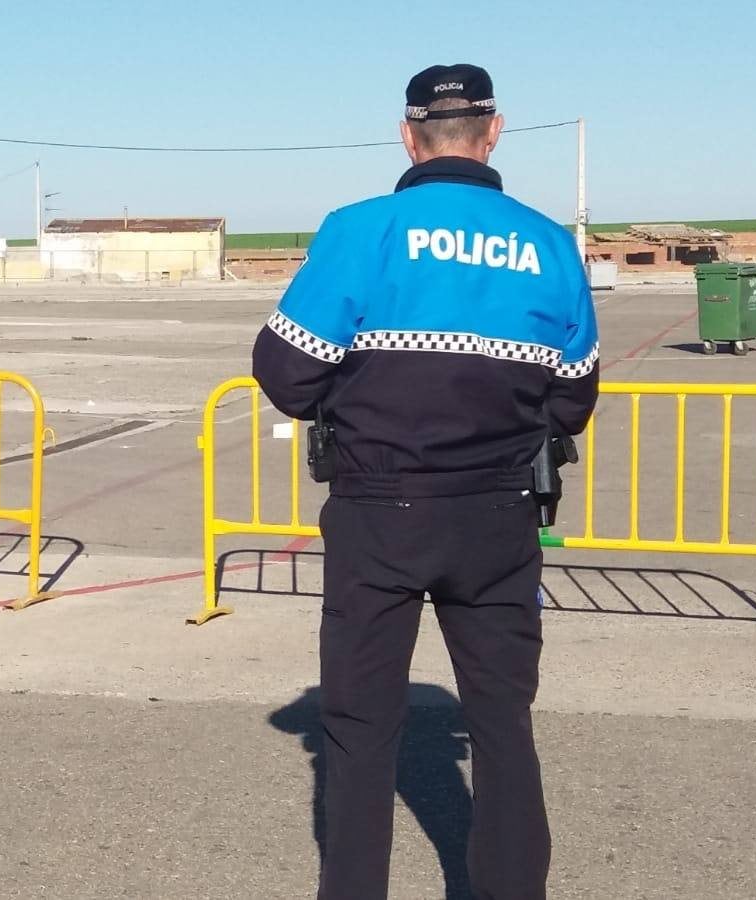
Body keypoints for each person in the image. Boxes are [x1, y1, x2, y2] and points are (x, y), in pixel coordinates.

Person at [251, 64, 599, 900]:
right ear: (495, 130)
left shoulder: (360, 230)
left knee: (361, 731)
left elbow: (286, 372)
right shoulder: (548, 242)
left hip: (380, 514)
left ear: (408, 136)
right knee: (504, 726)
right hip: (499, 517)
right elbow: (574, 396)